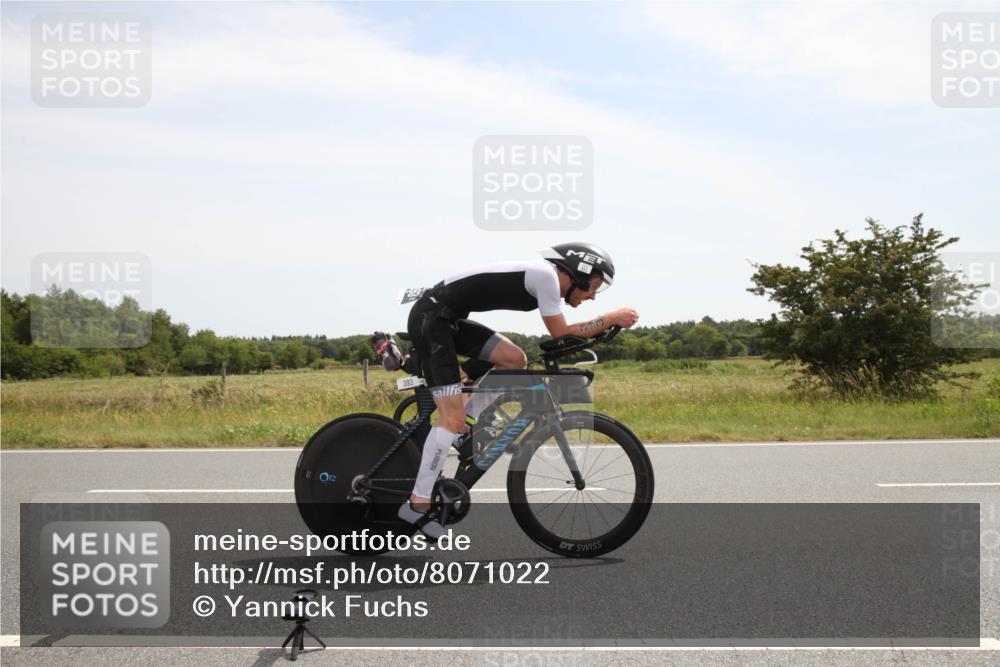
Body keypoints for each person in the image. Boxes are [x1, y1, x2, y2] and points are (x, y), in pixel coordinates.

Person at [398, 242, 640, 538]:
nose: (591, 296)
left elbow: (559, 340)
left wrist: (604, 328)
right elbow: (560, 333)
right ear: (578, 272)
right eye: (593, 286)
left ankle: (465, 429)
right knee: (451, 418)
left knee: (514, 360)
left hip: (447, 319)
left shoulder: (544, 278)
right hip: (432, 319)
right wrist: (611, 318)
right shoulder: (548, 277)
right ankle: (417, 505)